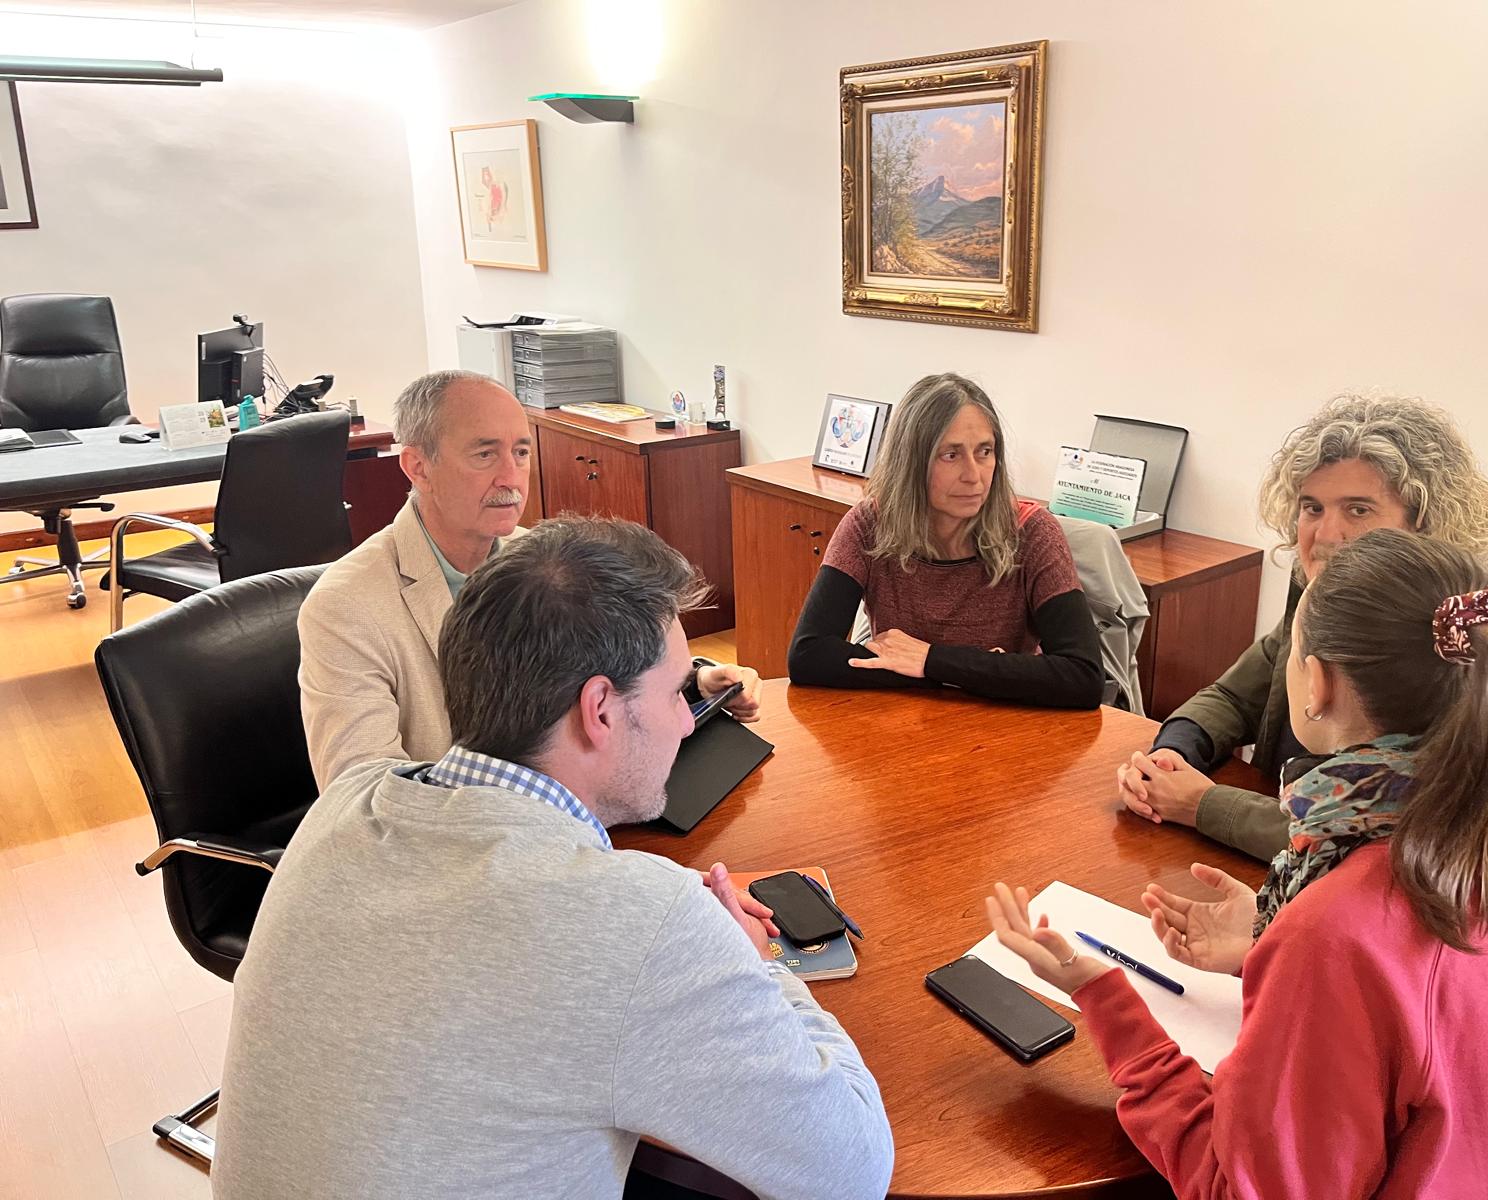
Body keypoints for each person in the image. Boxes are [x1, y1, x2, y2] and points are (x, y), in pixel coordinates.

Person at [213, 517, 895, 1200]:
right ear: (598, 708)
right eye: (674, 693)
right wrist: (747, 962)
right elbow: (853, 1172)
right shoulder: (646, 927)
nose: (689, 720)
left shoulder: (344, 804)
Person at [988, 529, 1488, 1197]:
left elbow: (1237, 1188)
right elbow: (1458, 1029)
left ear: (1320, 683)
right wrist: (1267, 941)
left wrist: (1107, 1002)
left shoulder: (1340, 928)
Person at [1117, 394, 1488, 860]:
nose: (1325, 536)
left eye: (1358, 510)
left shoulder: (1482, 637)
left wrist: (1203, 804)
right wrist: (1172, 756)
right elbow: (1231, 697)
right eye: (1312, 508)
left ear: (1423, 522)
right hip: (1268, 873)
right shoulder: (1317, 602)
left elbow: (1401, 825)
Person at [298, 369, 760, 790]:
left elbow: (596, 676)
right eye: (485, 454)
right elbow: (358, 793)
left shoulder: (537, 557)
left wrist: (689, 684)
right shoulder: (347, 605)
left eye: (521, 452)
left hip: (571, 818)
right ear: (418, 467)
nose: (511, 478)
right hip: (458, 850)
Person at [787, 372, 1102, 707]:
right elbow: (808, 655)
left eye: (985, 451)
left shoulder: (1032, 531)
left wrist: (931, 661)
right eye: (950, 455)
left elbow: (1083, 677)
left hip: (1004, 725)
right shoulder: (870, 523)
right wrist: (973, 672)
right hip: (903, 723)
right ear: (910, 463)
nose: (974, 475)